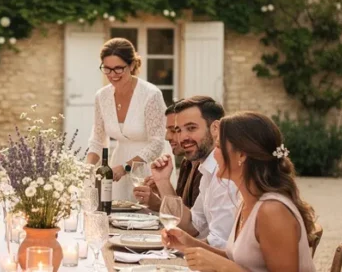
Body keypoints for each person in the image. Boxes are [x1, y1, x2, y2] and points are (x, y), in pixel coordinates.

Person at [162, 112, 317, 272]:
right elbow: (238, 260)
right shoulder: (246, 200)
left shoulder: (272, 211)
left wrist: (221, 266)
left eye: (218, 146)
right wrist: (188, 243)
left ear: (242, 155)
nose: (213, 154)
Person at [139, 96, 238, 249]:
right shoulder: (207, 169)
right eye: (178, 130)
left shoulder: (226, 174)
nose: (182, 138)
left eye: (191, 128)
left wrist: (179, 246)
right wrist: (163, 181)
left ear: (215, 129)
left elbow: (219, 245)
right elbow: (191, 225)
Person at [86, 38, 167, 201]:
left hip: (149, 166)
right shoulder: (102, 96)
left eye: (118, 69)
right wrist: (86, 168)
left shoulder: (151, 94)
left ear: (131, 65)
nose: (112, 75)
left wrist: (126, 167)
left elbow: (157, 143)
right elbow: (98, 140)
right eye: (107, 69)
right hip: (117, 165)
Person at [133, 100, 203, 211]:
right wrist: (161, 189)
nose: (167, 137)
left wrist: (158, 204)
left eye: (174, 130)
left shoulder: (208, 168)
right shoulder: (187, 162)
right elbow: (181, 208)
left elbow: (194, 223)